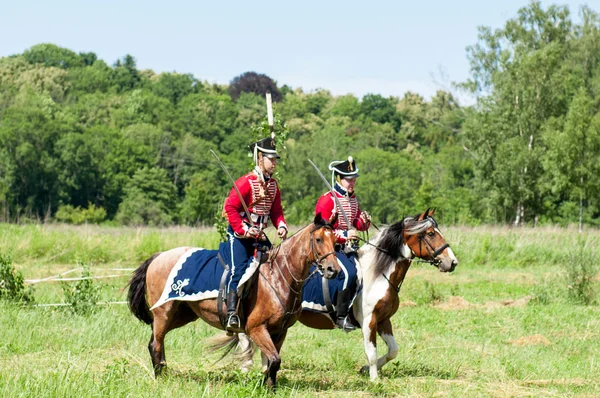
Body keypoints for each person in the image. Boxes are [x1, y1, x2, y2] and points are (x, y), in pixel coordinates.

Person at [222, 137, 288, 333]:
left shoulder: (273, 185)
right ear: (260, 159)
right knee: (239, 270)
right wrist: (243, 229)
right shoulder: (246, 182)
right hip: (240, 235)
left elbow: (276, 211)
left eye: (275, 159)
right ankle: (232, 313)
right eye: (271, 159)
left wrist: (281, 225)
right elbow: (230, 207)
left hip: (259, 235)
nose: (275, 163)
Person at [314, 156, 371, 331]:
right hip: (331, 249)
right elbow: (321, 231)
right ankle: (341, 315)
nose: (352, 183)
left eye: (354, 179)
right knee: (350, 274)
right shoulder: (327, 200)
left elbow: (356, 224)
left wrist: (364, 222)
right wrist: (344, 235)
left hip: (349, 247)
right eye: (349, 180)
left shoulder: (353, 199)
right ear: (339, 178)